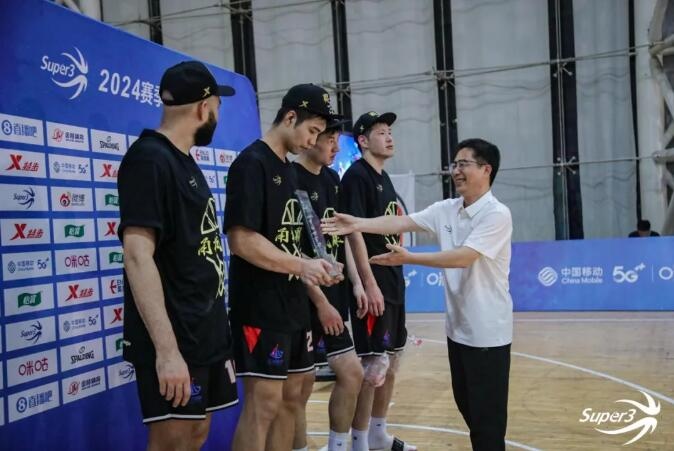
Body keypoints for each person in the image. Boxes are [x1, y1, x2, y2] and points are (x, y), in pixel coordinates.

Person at [323, 138, 513, 451]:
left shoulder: (496, 214)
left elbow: (464, 257)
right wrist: (356, 223)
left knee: (487, 422)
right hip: (458, 331)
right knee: (469, 408)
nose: (456, 171)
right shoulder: (447, 209)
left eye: (464, 164)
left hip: (488, 334)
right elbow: (400, 221)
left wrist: (409, 257)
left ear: (486, 169)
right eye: (454, 164)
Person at [118, 61, 239, 450]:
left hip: (204, 330)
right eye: (217, 107)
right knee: (173, 440)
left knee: (196, 432)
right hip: (177, 336)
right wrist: (167, 352)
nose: (217, 116)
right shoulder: (149, 159)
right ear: (204, 107)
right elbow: (137, 256)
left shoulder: (183, 159)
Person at [223, 84, 343, 451]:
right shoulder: (251, 164)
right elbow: (241, 240)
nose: (313, 141)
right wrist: (302, 265)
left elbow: (292, 239)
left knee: (296, 393)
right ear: (290, 117)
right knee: (264, 404)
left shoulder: (289, 172)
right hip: (259, 304)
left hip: (292, 302)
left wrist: (322, 265)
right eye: (312, 131)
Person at [339, 111, 416, 451]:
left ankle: (378, 434)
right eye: (381, 132)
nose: (389, 136)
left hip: (393, 282)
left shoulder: (385, 179)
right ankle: (358, 441)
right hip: (375, 287)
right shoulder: (356, 177)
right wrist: (363, 283)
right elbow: (350, 232)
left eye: (389, 131)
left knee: (392, 362)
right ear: (363, 140)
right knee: (372, 368)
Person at [291, 120, 367, 451]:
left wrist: (358, 283)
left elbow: (343, 236)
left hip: (334, 297)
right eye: (329, 139)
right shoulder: (290, 179)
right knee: (300, 387)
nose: (336, 147)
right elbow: (288, 250)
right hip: (302, 299)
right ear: (311, 139)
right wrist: (321, 302)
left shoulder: (332, 179)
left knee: (352, 373)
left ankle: (337, 446)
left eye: (337, 139)